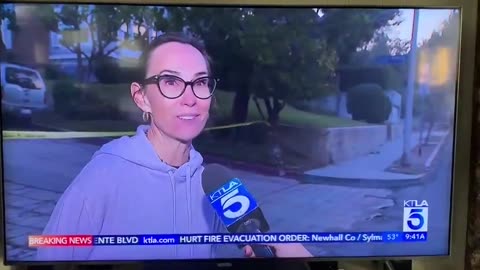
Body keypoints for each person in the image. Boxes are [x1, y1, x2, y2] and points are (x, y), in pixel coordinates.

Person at [36, 32, 312, 261]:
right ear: (142, 98)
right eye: (170, 81)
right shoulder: (103, 175)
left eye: (200, 82)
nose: (190, 98)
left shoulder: (212, 187)